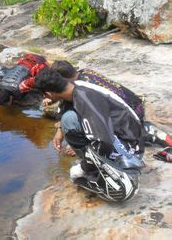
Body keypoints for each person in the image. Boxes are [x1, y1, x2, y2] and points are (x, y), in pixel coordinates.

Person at [35, 68, 144, 202]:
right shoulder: (77, 88)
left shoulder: (85, 99)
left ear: (48, 93)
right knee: (68, 117)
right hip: (128, 134)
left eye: (44, 96)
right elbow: (64, 107)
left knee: (69, 120)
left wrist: (83, 168)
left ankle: (101, 169)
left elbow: (103, 141)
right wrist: (59, 131)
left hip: (129, 147)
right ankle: (97, 163)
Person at [47, 60, 146, 155]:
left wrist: (79, 146)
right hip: (137, 105)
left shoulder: (83, 88)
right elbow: (66, 104)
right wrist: (60, 130)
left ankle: (90, 154)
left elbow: (97, 118)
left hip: (131, 117)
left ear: (63, 80)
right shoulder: (85, 72)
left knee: (72, 118)